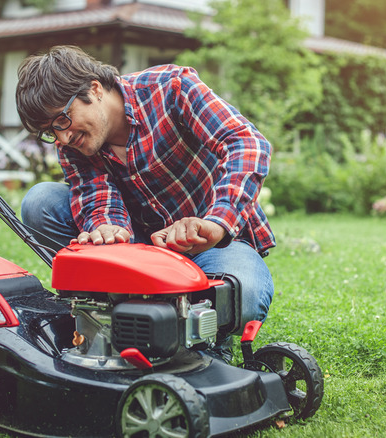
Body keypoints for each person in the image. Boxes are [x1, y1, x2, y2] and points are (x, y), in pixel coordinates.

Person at [15, 45, 275, 358]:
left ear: (94, 89)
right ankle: (114, 308)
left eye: (61, 120)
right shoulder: (75, 143)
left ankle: (208, 335)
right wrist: (106, 228)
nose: (62, 139)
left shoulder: (172, 88)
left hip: (212, 246)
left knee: (245, 295)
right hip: (139, 251)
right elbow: (96, 195)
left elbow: (246, 143)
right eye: (49, 132)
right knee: (40, 201)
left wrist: (217, 221)